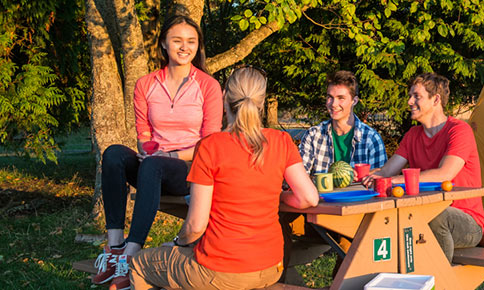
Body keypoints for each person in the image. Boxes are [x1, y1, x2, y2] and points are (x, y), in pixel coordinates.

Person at [128, 66, 320, 289]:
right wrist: (280, 196)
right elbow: (309, 198)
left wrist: (177, 243)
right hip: (270, 267)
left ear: (224, 97)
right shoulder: (281, 140)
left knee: (139, 264)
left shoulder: (210, 146)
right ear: (261, 101)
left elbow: (196, 225)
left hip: (222, 270)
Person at [91, 15, 222, 290]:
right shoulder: (146, 84)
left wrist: (171, 156)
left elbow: (210, 144)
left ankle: (131, 255)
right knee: (114, 153)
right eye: (177, 41)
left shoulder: (208, 86)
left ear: (198, 46)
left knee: (154, 166)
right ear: (163, 44)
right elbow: (144, 134)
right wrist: (149, 150)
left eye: (191, 41)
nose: (184, 47)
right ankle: (115, 246)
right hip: (153, 164)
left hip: (189, 169)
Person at [362, 72, 484, 262]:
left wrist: (394, 180)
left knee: (434, 216)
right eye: (410, 96)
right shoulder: (412, 135)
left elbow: (445, 174)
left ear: (435, 99)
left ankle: (439, 280)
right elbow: (386, 171)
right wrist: (366, 177)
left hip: (466, 220)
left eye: (416, 96)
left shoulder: (459, 131)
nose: (409, 102)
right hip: (419, 212)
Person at [298, 70, 387, 174]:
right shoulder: (313, 135)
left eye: (341, 98)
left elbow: (380, 182)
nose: (334, 104)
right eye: (330, 97)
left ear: (354, 101)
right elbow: (299, 177)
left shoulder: (371, 138)